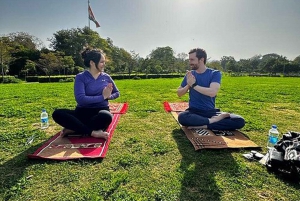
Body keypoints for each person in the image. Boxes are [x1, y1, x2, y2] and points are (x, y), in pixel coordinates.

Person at [52, 48, 120, 139]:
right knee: (57, 113)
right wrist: (102, 97)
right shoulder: (80, 77)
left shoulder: (106, 77)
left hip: (100, 112)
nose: (104, 64)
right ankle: (92, 132)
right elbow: (81, 99)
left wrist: (109, 96)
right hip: (83, 112)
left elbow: (117, 93)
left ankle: (76, 128)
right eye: (101, 62)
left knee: (106, 116)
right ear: (92, 63)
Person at [177, 48, 245, 130]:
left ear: (201, 59)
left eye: (192, 59)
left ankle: (206, 124)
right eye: (189, 60)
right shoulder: (190, 75)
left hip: (211, 112)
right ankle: (212, 122)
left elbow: (212, 92)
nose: (190, 62)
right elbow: (179, 93)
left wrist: (194, 85)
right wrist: (188, 84)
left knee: (239, 121)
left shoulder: (215, 74)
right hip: (194, 112)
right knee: (182, 117)